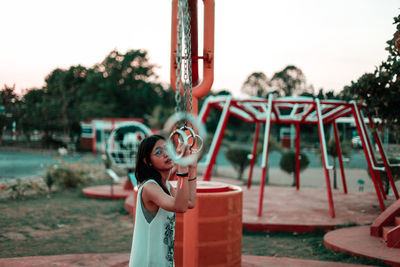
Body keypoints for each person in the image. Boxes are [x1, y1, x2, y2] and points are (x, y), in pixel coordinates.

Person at [129, 135, 197, 267]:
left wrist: (192, 168)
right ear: (147, 161)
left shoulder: (166, 185)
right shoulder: (150, 187)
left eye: (168, 149)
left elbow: (189, 202)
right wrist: (182, 168)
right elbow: (180, 207)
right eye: (159, 152)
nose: (166, 154)